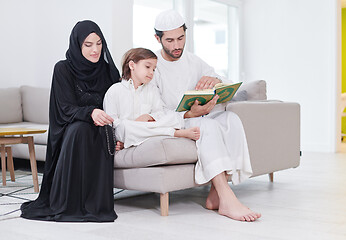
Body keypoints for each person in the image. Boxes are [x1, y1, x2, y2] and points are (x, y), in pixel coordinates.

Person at [153, 10, 261, 222]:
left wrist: (214, 80)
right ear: (158, 39)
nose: (177, 45)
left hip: (200, 116)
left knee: (232, 120)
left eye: (181, 38)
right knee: (207, 127)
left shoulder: (194, 60)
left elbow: (222, 79)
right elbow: (155, 111)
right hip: (178, 122)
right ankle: (226, 197)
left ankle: (214, 196)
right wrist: (188, 113)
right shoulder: (151, 65)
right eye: (170, 40)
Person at [20, 20, 121, 222]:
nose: (95, 50)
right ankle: (69, 202)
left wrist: (119, 135)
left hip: (102, 131)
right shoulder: (63, 69)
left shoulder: (109, 72)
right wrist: (91, 112)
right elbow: (65, 108)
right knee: (79, 129)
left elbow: (118, 108)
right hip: (72, 129)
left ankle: (93, 203)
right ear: (77, 45)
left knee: (91, 130)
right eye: (88, 44)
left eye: (99, 43)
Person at [103, 47, 200, 149]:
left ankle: (133, 141)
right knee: (124, 127)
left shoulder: (152, 90)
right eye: (147, 67)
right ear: (132, 65)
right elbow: (112, 123)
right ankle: (175, 133)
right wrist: (135, 124)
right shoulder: (114, 91)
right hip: (127, 131)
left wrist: (149, 117)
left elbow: (159, 113)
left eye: (154, 69)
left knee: (173, 117)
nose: (151, 72)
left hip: (147, 128)